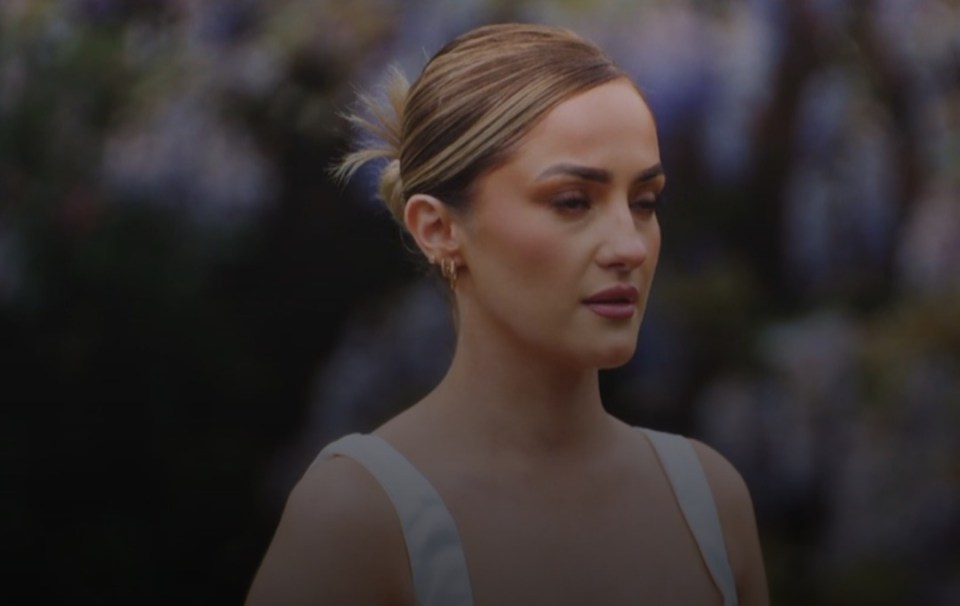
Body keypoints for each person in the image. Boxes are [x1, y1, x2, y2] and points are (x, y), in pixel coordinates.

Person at [246, 23, 769, 606]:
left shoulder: (710, 504)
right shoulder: (358, 518)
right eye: (573, 202)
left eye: (645, 203)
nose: (631, 245)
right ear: (439, 229)